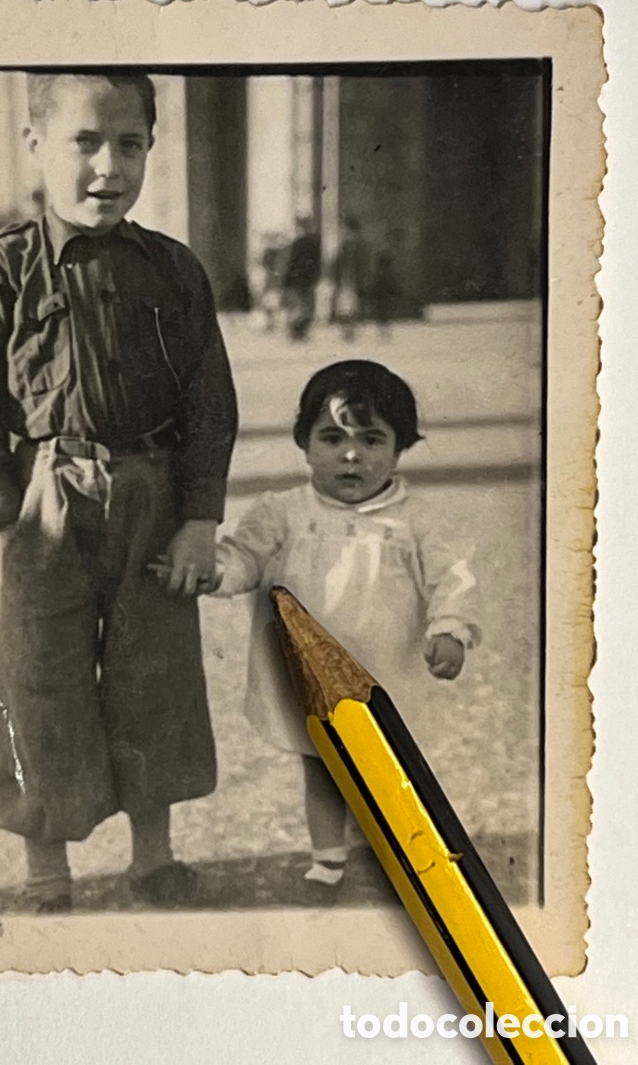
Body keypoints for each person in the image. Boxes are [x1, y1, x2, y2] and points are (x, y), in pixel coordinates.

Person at [0, 73, 238, 912]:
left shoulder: (174, 271)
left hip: (152, 495)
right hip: (49, 495)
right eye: (85, 142)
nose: (108, 166)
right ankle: (47, 871)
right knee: (40, 679)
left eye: (130, 144)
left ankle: (153, 860)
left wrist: (200, 519)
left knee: (155, 674)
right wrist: (10, 509)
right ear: (36, 144)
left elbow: (208, 403)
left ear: (151, 146)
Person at [204, 361, 480, 891]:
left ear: (400, 450)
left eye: (372, 440)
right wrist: (212, 570)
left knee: (391, 771)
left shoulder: (416, 519)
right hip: (308, 673)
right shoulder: (281, 512)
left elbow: (455, 576)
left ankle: (403, 854)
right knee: (323, 768)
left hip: (385, 671)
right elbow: (244, 557)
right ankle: (328, 858)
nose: (351, 455)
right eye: (331, 438)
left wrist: (450, 628)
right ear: (304, 444)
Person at [329, 215, 369, 341]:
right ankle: (349, 332)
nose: (342, 231)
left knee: (349, 308)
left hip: (351, 281)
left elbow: (362, 264)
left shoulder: (353, 245)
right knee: (346, 308)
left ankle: (349, 332)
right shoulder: (349, 245)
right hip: (347, 281)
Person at [282, 216, 322, 340]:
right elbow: (317, 262)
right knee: (307, 306)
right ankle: (301, 332)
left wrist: (286, 279)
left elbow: (291, 263)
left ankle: (296, 332)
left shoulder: (298, 243)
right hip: (308, 278)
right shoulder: (315, 242)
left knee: (298, 307)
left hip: (296, 278)